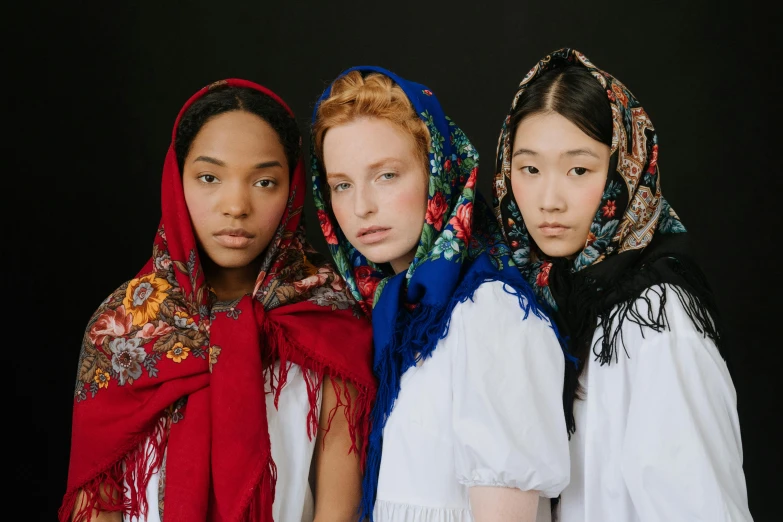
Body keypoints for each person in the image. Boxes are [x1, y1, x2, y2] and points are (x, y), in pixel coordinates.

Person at [59, 79, 376, 522]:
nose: (236, 205)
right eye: (209, 177)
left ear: (292, 188)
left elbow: (338, 505)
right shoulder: (121, 327)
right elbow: (95, 499)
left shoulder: (325, 313)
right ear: (178, 180)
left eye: (264, 181)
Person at [492, 47, 753, 521]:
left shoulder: (655, 320)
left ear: (625, 171)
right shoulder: (548, 298)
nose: (548, 200)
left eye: (579, 170)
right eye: (529, 169)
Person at [310, 66, 570, 522]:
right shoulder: (396, 312)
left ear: (437, 172)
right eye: (342, 185)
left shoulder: (490, 312)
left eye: (386, 176)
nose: (361, 206)